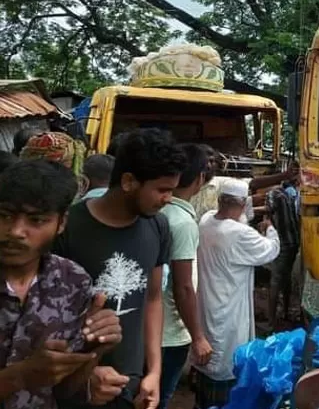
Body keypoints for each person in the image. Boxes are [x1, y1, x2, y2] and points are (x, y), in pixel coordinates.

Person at [54, 128, 187, 409]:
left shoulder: (158, 227)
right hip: (74, 386)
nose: (168, 199)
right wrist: (86, 373)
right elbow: (48, 319)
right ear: (128, 181)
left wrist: (154, 372)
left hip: (132, 384)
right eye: (162, 190)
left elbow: (152, 299)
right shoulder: (67, 228)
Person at [0, 160, 122, 408]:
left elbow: (66, 392)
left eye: (36, 220)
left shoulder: (73, 281)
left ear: (61, 223)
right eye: (4, 216)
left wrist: (94, 348)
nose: (16, 231)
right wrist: (18, 377)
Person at [192, 180, 280, 409]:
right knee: (227, 361)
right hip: (229, 307)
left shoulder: (207, 220)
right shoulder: (239, 233)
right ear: (241, 203)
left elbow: (236, 217)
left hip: (208, 302)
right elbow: (270, 250)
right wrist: (270, 229)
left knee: (209, 358)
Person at [159, 144, 212, 409]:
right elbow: (183, 287)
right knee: (159, 396)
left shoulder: (158, 209)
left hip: (150, 327)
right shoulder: (181, 222)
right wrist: (198, 336)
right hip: (169, 334)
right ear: (200, 178)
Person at [265, 183, 300, 333]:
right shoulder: (289, 195)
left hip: (282, 243)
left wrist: (267, 221)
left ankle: (271, 322)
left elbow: (269, 212)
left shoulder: (272, 195)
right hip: (294, 242)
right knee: (286, 279)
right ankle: (286, 312)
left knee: (275, 281)